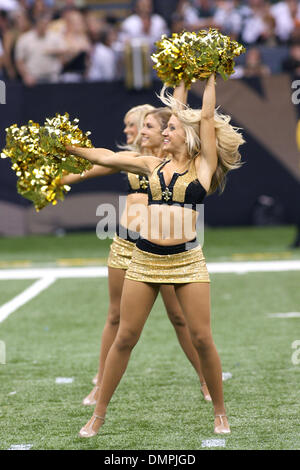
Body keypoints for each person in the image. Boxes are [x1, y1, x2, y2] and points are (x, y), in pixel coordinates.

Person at [66, 74, 245, 437]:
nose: (165, 132)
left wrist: (209, 77)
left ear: (187, 135)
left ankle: (220, 411)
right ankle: (98, 415)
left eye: (172, 127)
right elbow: (107, 156)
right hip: (144, 261)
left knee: (201, 338)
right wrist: (68, 148)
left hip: (187, 262)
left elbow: (207, 118)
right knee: (126, 337)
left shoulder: (203, 166)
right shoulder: (151, 166)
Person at [61, 99, 212, 408]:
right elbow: (96, 164)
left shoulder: (176, 163)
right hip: (127, 242)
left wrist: (193, 78)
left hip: (160, 246)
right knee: (117, 317)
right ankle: (100, 383)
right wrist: (51, 177)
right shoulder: (137, 158)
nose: (138, 131)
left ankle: (205, 380)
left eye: (145, 125)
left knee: (180, 318)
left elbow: (181, 111)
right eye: (137, 126)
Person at [15, 12, 65, 86]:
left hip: (53, 77)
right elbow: (19, 61)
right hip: (33, 78)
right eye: (41, 24)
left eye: (45, 24)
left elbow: (64, 54)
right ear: (36, 24)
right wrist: (26, 76)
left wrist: (55, 52)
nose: (43, 26)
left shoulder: (56, 37)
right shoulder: (24, 39)